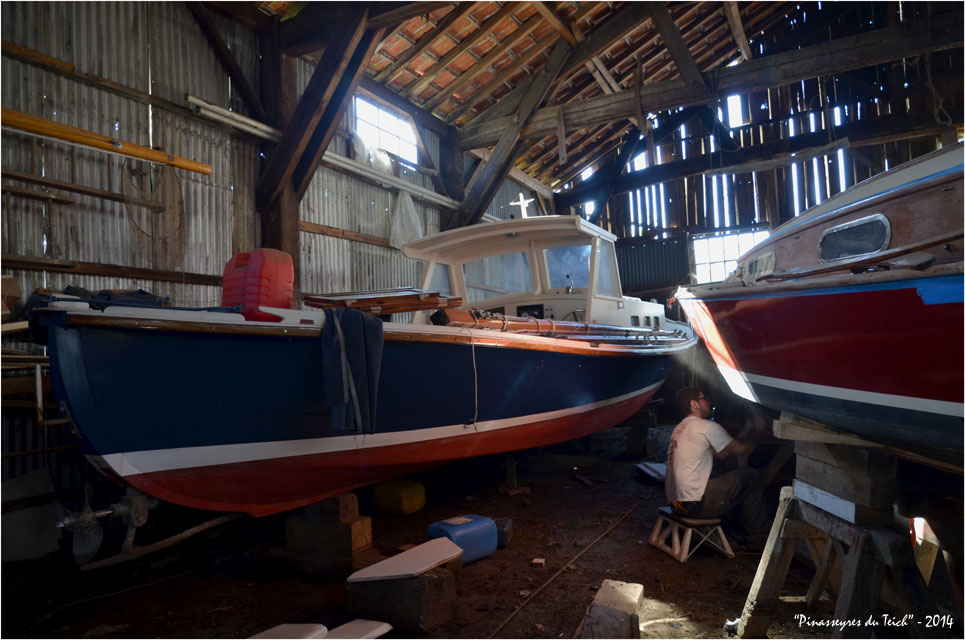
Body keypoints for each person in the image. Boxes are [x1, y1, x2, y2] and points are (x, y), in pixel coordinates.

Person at [665, 387, 771, 550]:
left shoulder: (680, 428)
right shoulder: (706, 426)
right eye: (704, 399)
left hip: (676, 505)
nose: (709, 402)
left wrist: (747, 429)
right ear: (694, 404)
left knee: (727, 480)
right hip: (696, 505)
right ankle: (758, 536)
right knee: (750, 476)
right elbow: (743, 450)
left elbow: (721, 453)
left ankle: (735, 526)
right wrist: (756, 430)